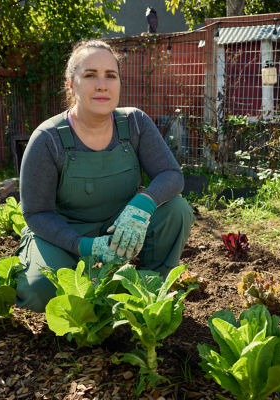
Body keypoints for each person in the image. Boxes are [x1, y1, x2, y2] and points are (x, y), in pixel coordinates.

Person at [15, 39, 195, 313]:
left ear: (119, 83)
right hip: (64, 235)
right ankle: (79, 273)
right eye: (90, 75)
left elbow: (171, 175)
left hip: (118, 230)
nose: (102, 85)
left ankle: (146, 289)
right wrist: (83, 245)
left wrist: (143, 203)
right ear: (71, 84)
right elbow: (37, 213)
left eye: (110, 75)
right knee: (41, 291)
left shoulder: (135, 123)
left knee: (177, 209)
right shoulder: (48, 139)